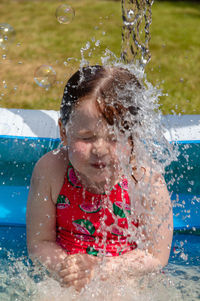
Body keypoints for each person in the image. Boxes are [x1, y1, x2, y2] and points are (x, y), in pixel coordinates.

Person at [26, 65, 173, 292]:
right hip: (67, 275)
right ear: (64, 132)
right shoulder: (51, 170)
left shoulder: (145, 179)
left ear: (134, 136)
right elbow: (39, 243)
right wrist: (67, 267)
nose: (100, 149)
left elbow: (156, 254)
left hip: (125, 278)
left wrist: (104, 268)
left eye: (114, 138)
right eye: (87, 137)